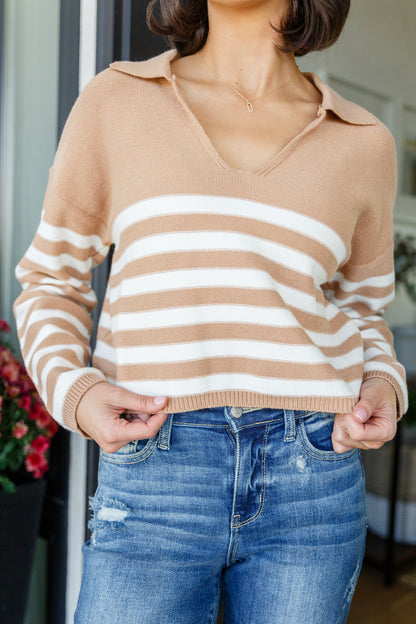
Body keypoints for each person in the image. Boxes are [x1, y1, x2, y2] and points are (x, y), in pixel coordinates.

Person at [14, 0, 408, 622]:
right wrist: (77, 392)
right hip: (156, 465)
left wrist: (384, 382)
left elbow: (361, 309)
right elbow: (50, 279)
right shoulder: (117, 101)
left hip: (312, 473)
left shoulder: (364, 142)